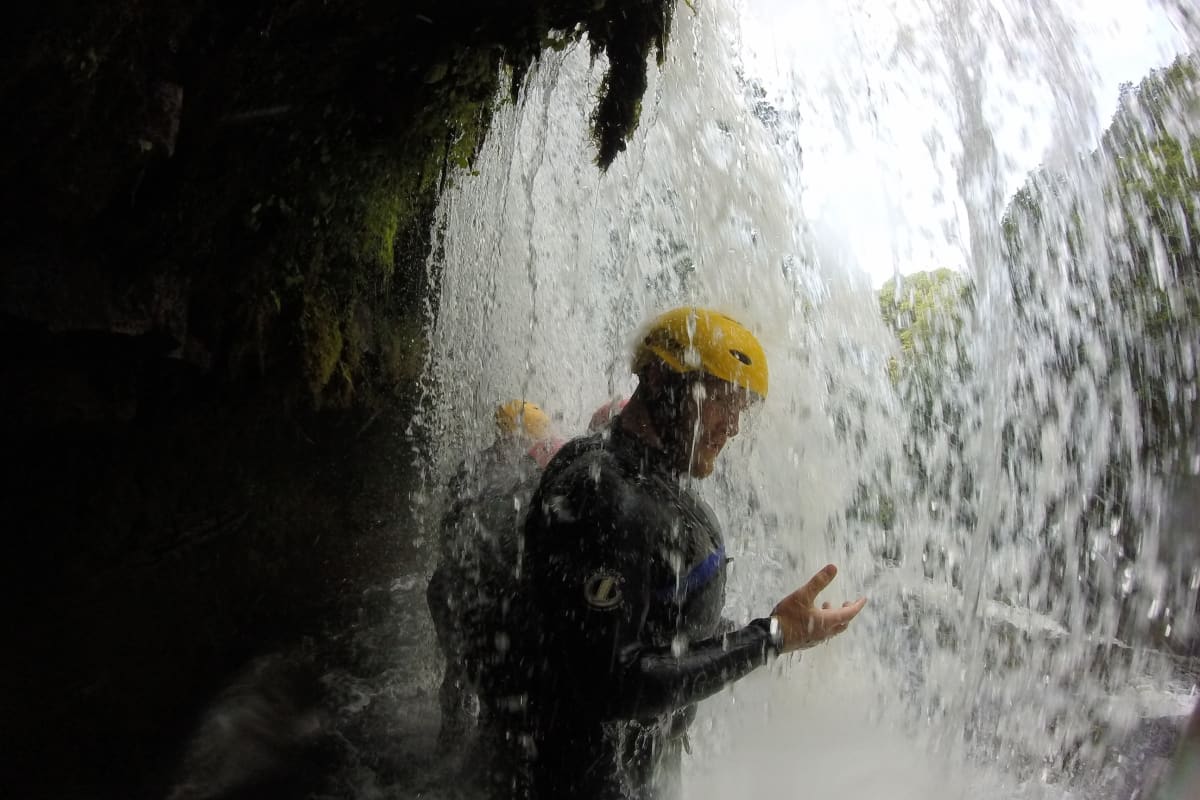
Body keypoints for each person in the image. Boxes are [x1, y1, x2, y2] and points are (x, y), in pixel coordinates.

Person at [495, 307, 868, 800]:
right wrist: (770, 637)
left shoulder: (644, 481)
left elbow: (656, 626)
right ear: (657, 379)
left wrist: (769, 628)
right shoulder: (610, 497)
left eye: (742, 409)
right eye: (720, 401)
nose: (733, 426)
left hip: (630, 771)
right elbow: (611, 684)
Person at [426, 400, 561, 755]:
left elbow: (448, 531)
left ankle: (450, 745)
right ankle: (476, 758)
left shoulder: (470, 469)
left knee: (458, 670)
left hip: (448, 588)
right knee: (484, 674)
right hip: (471, 594)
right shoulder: (511, 483)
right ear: (515, 440)